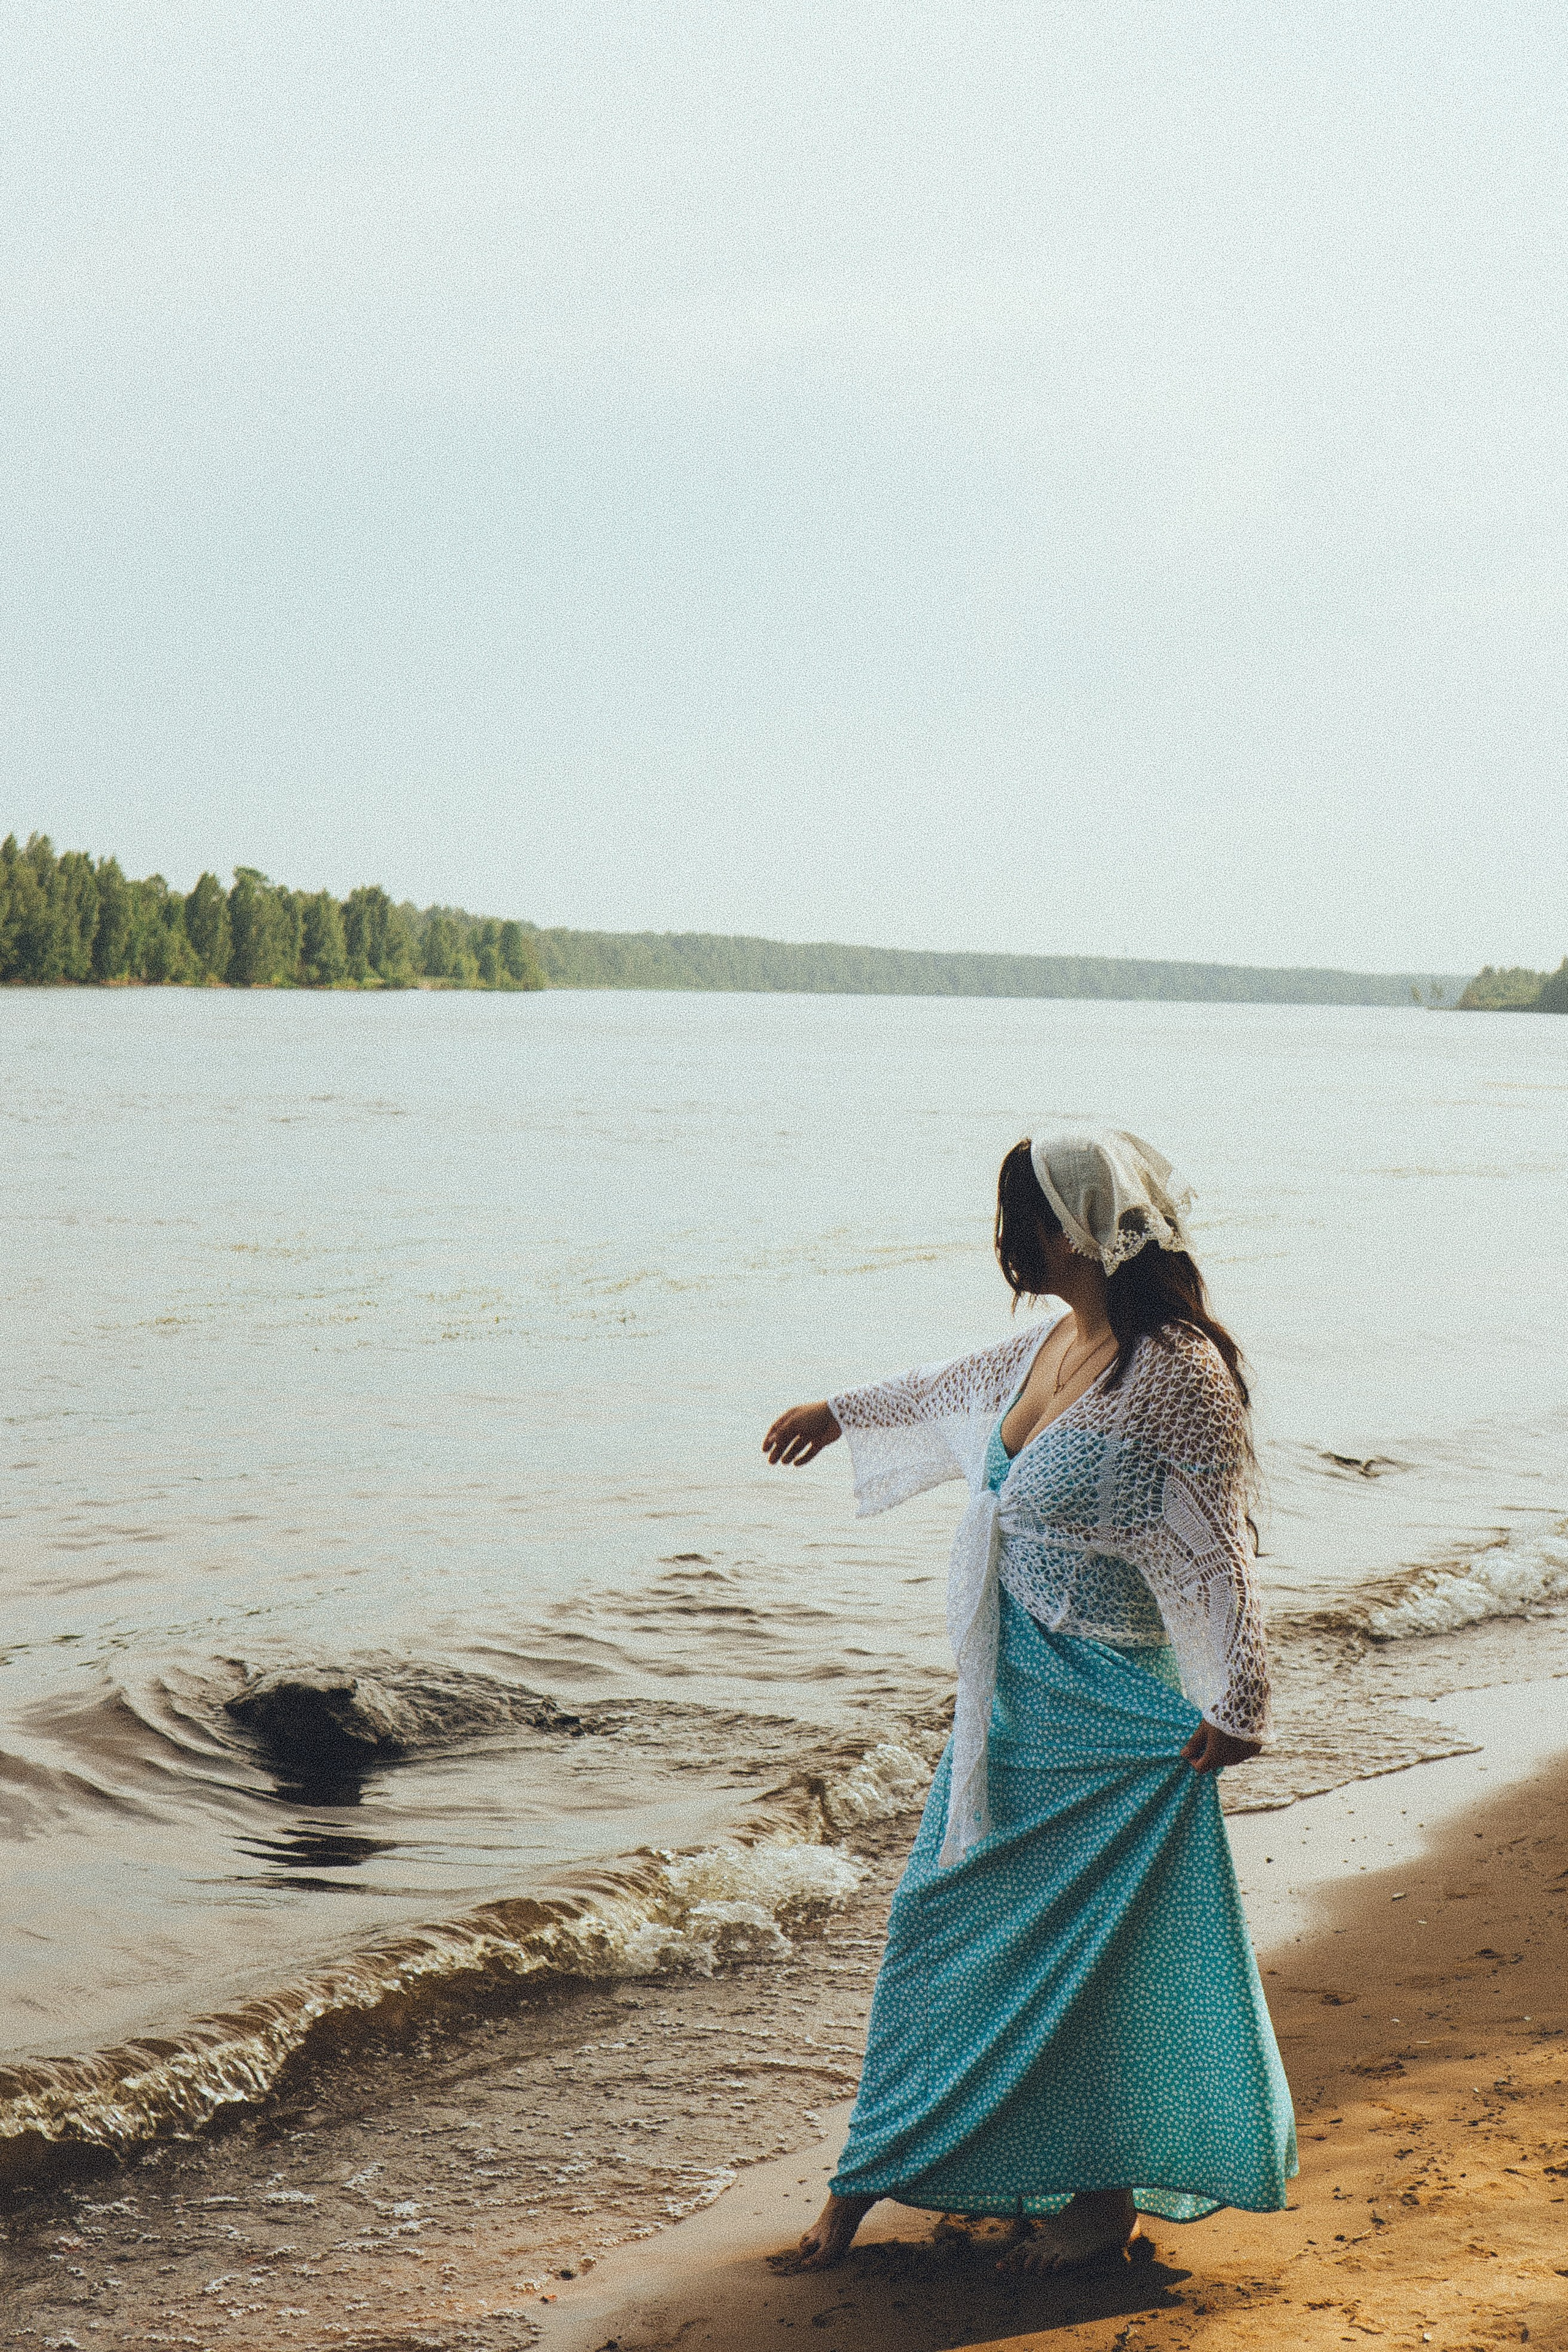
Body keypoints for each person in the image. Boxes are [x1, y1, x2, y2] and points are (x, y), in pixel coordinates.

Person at [762, 1130, 1295, 2274]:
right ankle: (878, 2182)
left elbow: (1218, 1553)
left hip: (1108, 1716)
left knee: (1098, 1960)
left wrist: (1239, 1698)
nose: (1012, 1245)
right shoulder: (1061, 1342)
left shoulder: (1177, 1373)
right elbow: (944, 1387)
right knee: (940, 1933)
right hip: (1007, 1709)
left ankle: (1095, 2206)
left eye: (1029, 1221)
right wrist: (838, 1410)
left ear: (1086, 1227)